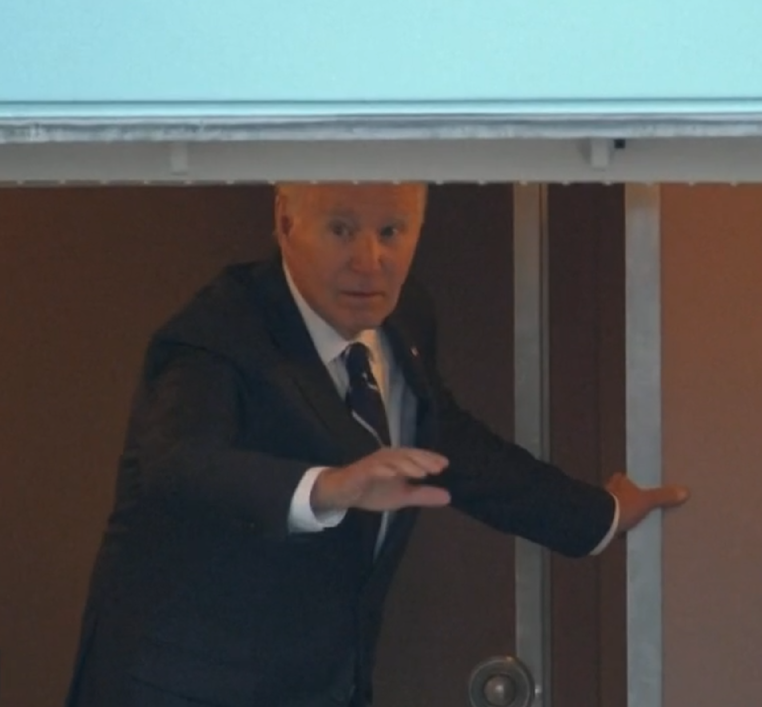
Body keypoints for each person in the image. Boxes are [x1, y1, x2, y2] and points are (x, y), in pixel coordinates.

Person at [65, 182, 689, 707]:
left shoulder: (403, 315)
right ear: (286, 221)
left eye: (392, 231)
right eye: (341, 230)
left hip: (324, 684)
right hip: (182, 686)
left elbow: (444, 442)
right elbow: (178, 466)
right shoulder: (217, 333)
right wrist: (329, 488)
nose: (370, 260)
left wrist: (600, 515)